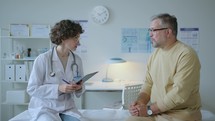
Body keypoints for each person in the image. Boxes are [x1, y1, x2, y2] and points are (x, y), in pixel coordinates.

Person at [126, 13, 201, 121]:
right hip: (155, 112)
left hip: (180, 114)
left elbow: (179, 93)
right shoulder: (154, 55)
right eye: (149, 30)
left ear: (168, 32)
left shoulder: (186, 54)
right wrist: (139, 104)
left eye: (153, 30)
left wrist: (148, 110)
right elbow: (148, 83)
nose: (150, 34)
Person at [27, 19, 88, 121]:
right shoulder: (43, 59)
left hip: (67, 108)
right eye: (76, 38)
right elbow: (32, 89)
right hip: (45, 108)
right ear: (64, 38)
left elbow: (80, 87)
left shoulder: (77, 60)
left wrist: (79, 87)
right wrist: (58, 88)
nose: (79, 42)